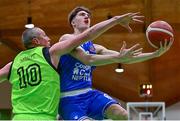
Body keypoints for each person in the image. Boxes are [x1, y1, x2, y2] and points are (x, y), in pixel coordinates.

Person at [0, 12, 143, 120]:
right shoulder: (51, 52)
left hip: (18, 117)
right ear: (36, 41)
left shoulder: (13, 64)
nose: (49, 39)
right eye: (45, 36)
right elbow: (87, 36)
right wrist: (115, 19)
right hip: (44, 117)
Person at [57, 6, 173, 120]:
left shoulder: (95, 47)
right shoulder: (66, 39)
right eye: (82, 14)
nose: (86, 16)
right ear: (73, 22)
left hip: (89, 94)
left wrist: (155, 54)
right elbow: (88, 59)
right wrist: (118, 56)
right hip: (69, 98)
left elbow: (127, 58)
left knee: (122, 114)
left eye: (88, 15)